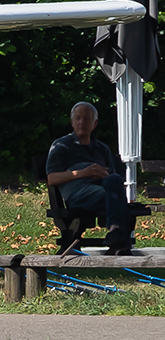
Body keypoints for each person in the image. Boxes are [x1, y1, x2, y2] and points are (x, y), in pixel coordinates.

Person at [47, 101, 134, 253]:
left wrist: (104, 174)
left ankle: (115, 233)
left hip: (102, 190)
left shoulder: (102, 148)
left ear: (94, 124)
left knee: (114, 182)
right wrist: (81, 173)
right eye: (78, 118)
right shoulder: (61, 146)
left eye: (86, 119)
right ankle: (119, 239)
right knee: (117, 199)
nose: (82, 122)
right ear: (72, 122)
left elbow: (114, 177)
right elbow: (52, 178)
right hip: (78, 194)